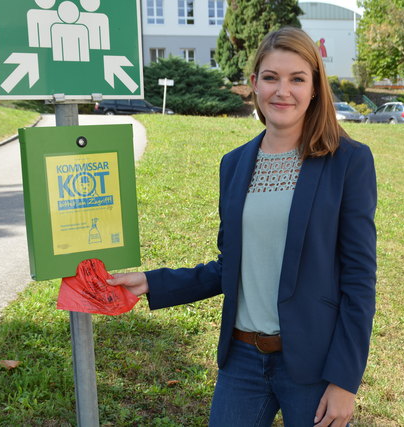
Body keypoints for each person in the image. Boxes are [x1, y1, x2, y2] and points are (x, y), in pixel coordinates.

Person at [108, 26, 377, 427]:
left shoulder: (348, 161)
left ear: (316, 88)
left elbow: (358, 279)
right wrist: (152, 282)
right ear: (254, 84)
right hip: (242, 361)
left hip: (315, 364)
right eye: (271, 77)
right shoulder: (234, 164)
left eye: (297, 79)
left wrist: (344, 380)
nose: (282, 90)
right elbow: (229, 265)